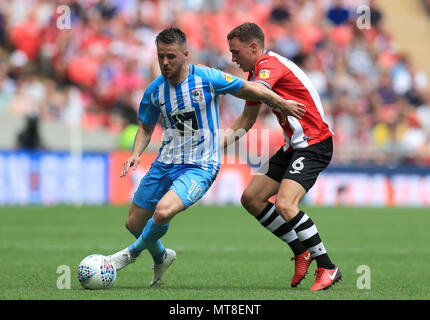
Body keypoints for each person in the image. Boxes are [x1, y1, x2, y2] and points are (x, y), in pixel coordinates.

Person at [108, 27, 306, 288]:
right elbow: (145, 127)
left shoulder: (207, 77)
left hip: (201, 165)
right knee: (133, 222)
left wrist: (280, 102)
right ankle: (161, 257)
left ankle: (130, 254)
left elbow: (249, 89)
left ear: (185, 55)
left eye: (171, 56)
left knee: (163, 211)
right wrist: (135, 153)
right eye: (161, 57)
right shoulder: (154, 91)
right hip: (165, 162)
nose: (165, 63)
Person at [223, 22, 341, 291]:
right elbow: (246, 119)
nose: (233, 59)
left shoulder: (269, 65)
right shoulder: (257, 77)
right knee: (251, 198)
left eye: (236, 52)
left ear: (254, 47)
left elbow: (260, 91)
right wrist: (217, 146)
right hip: (293, 147)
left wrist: (217, 82)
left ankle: (328, 267)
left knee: (286, 205)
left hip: (314, 143)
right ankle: (301, 250)